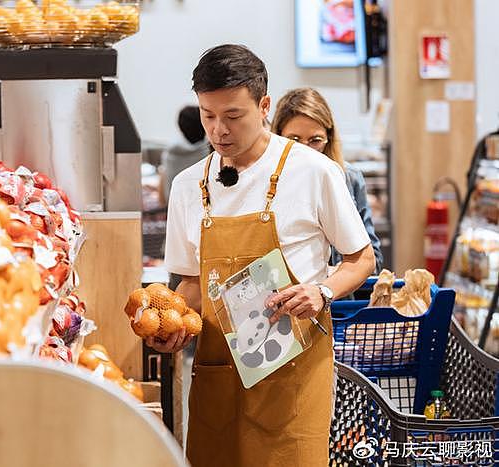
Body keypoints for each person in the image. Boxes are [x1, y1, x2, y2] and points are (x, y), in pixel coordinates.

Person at [151, 44, 375, 466]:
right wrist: (171, 322)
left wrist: (322, 293)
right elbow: (192, 285)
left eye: (233, 116)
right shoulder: (187, 187)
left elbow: (361, 259)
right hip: (219, 375)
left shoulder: (313, 171)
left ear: (264, 105)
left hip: (293, 376)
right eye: (208, 115)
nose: (218, 131)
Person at [272, 87, 384, 273]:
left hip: (340, 299)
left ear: (329, 139)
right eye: (294, 140)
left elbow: (374, 260)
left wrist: (338, 275)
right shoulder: (266, 182)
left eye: (315, 140)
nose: (305, 151)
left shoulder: (349, 178)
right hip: (285, 298)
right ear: (278, 137)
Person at [160, 106, 211, 204]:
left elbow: (163, 198)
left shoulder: (170, 154)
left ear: (180, 127)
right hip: (206, 206)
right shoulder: (212, 152)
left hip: (174, 205)